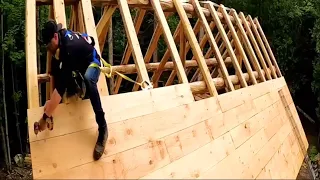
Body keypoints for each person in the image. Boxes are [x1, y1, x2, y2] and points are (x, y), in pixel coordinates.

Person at [39, 20, 108, 161]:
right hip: (79, 63)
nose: (48, 48)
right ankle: (77, 88)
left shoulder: (69, 48)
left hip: (92, 62)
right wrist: (51, 103)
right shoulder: (60, 43)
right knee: (60, 70)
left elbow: (60, 87)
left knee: (89, 79)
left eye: (49, 44)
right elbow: (56, 78)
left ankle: (103, 129)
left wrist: (44, 118)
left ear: (56, 37)